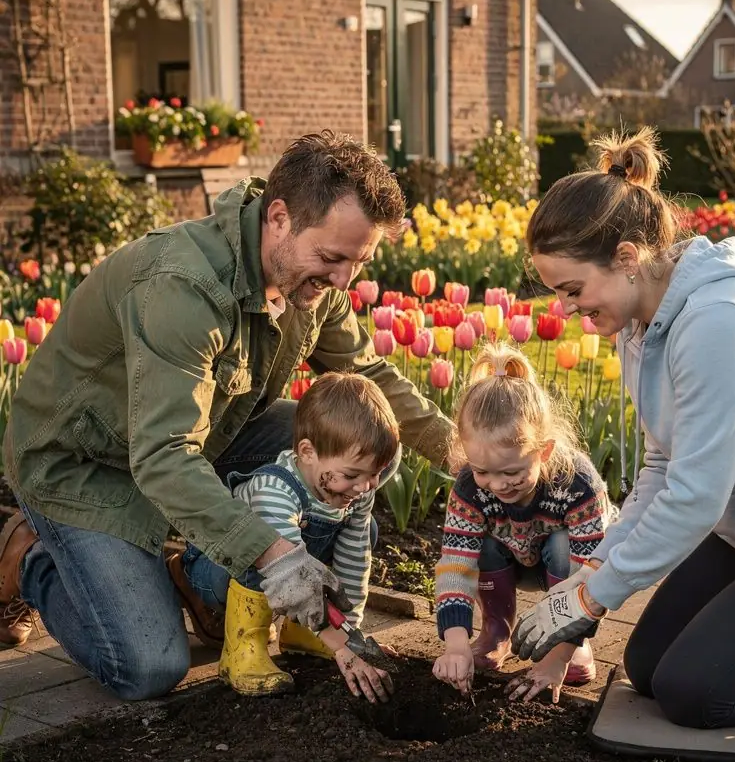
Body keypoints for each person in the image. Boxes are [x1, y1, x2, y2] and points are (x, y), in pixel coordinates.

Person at [0, 131, 451, 700]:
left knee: (346, 444)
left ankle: (194, 573)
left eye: (357, 263)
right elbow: (164, 456)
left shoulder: (310, 280)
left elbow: (371, 376)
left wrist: (466, 455)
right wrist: (274, 555)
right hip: (85, 466)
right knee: (149, 667)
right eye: (332, 259)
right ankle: (29, 557)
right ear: (279, 218)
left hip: (198, 436)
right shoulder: (183, 289)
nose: (343, 281)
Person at [514, 125, 735, 729]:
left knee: (695, 694)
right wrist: (591, 577)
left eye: (572, 289)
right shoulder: (638, 323)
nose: (565, 309)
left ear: (627, 259)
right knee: (648, 666)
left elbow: (696, 496)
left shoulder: (721, 321)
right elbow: (662, 466)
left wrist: (589, 601)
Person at [184, 371, 400, 702]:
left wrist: (348, 632)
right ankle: (243, 648)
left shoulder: (358, 491)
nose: (365, 486)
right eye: (352, 474)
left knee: (364, 531)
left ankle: (303, 633)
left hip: (291, 574)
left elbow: (354, 561)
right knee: (261, 549)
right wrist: (340, 646)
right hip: (216, 571)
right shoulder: (275, 490)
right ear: (308, 452)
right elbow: (286, 573)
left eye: (375, 474)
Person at [432, 344, 612, 702]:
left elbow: (594, 576)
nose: (498, 485)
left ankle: (568, 642)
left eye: (512, 472)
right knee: (478, 544)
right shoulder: (469, 489)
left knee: (562, 544)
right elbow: (456, 565)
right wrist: (456, 645)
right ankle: (497, 630)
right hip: (506, 560)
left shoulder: (577, 485)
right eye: (483, 471)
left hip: (563, 567)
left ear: (543, 451)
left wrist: (559, 658)